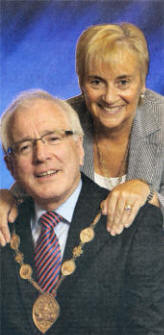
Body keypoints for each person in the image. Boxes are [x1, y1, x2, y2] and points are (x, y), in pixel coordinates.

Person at [0, 89, 164, 335]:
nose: (42, 155)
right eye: (24, 147)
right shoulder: (5, 228)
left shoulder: (136, 225)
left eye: (53, 138)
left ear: (79, 147)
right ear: (10, 166)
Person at [0, 22, 164, 246]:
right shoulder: (61, 119)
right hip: (80, 263)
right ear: (81, 81)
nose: (109, 97)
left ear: (143, 82)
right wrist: (8, 200)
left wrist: (150, 195)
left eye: (123, 82)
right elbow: (36, 174)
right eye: (96, 82)